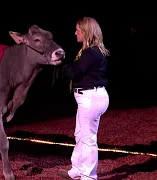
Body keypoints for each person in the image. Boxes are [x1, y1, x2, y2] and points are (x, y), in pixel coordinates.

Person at [58, 16, 110, 180]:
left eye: (78, 30)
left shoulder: (91, 53)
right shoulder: (91, 51)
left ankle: (88, 176)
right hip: (89, 97)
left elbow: (74, 71)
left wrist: (60, 64)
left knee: (88, 139)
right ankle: (77, 169)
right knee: (80, 134)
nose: (75, 33)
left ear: (86, 32)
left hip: (91, 97)